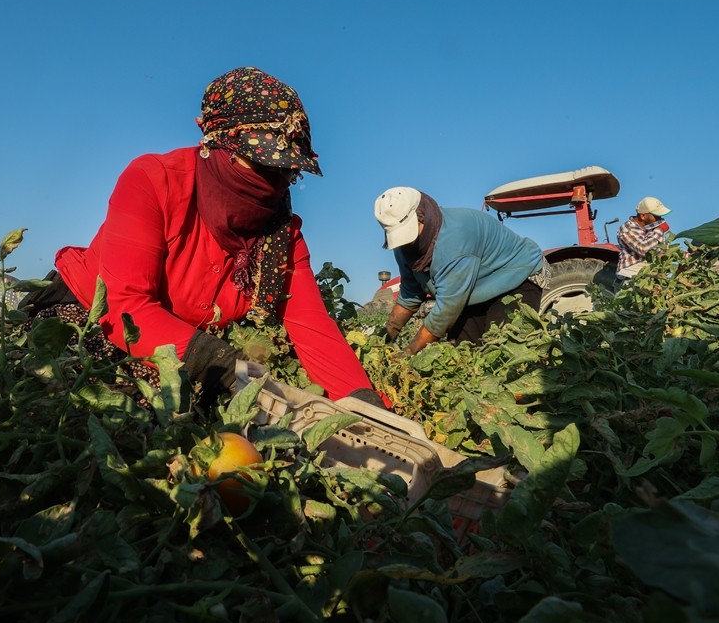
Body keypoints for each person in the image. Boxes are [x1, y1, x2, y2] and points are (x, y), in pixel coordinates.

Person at [37, 66, 385, 408]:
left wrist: (364, 403)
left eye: (284, 170)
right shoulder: (154, 180)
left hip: (184, 349)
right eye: (260, 164)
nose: (273, 181)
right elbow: (125, 307)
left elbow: (311, 327)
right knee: (106, 403)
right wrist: (228, 366)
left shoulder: (281, 235)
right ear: (215, 142)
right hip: (90, 319)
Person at [374, 187, 549, 356]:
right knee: (462, 353)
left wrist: (409, 352)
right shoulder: (404, 249)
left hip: (517, 278)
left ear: (422, 216)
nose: (406, 242)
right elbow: (410, 294)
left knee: (502, 349)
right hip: (475, 291)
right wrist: (383, 339)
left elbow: (447, 309)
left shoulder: (455, 238)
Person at [616, 196, 672, 281]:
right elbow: (643, 248)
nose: (660, 219)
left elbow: (664, 251)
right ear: (643, 216)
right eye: (656, 216)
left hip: (649, 276)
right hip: (630, 276)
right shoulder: (627, 228)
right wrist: (660, 230)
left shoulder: (651, 230)